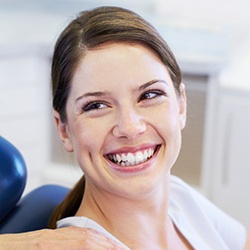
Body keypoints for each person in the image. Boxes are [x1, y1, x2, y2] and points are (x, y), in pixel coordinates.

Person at [0, 5, 250, 250]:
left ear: (181, 106)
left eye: (150, 95)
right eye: (96, 105)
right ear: (64, 130)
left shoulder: (179, 197)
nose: (130, 127)